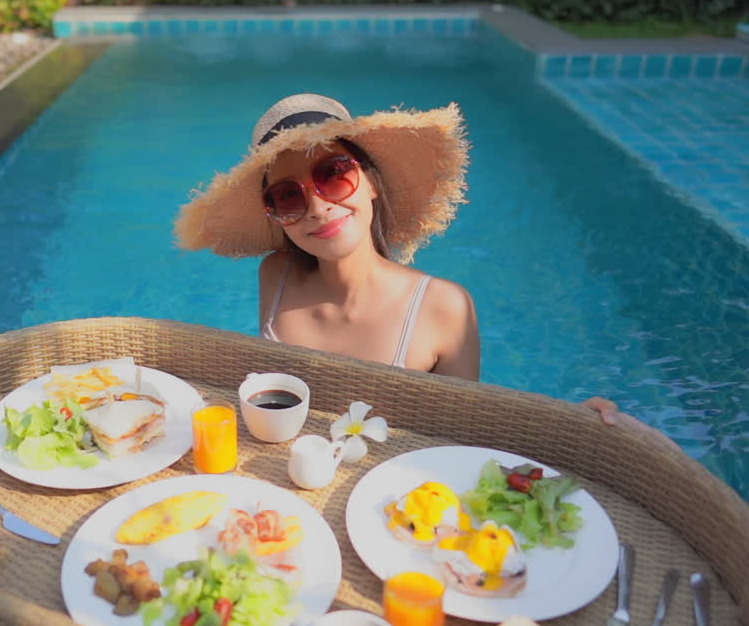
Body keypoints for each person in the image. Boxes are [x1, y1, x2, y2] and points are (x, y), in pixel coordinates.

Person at [175, 93, 625, 426]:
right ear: (275, 214)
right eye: (288, 196)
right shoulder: (276, 275)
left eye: (333, 174)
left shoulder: (445, 308)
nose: (316, 207)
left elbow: (468, 428)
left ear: (370, 181)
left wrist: (562, 422)